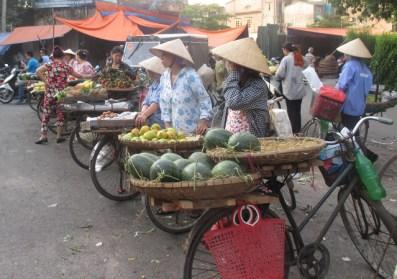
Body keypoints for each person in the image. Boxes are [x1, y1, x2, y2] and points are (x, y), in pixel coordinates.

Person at [150, 39, 212, 135]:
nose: (161, 58)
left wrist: (203, 120)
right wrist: (167, 127)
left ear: (175, 57)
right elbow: (163, 103)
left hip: (193, 132)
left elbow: (203, 99)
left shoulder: (190, 75)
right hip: (173, 134)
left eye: (165, 55)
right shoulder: (164, 77)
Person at [211, 38, 270, 137]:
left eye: (231, 64)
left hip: (250, 143)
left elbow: (233, 102)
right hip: (232, 141)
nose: (228, 66)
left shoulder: (258, 86)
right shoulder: (238, 82)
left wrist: (234, 72)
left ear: (242, 67)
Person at [35, 46, 93, 144]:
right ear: (62, 56)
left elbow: (38, 71)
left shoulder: (49, 65)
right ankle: (59, 136)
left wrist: (46, 81)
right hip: (61, 93)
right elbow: (79, 76)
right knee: (60, 113)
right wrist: (90, 76)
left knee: (46, 114)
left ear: (53, 56)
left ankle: (43, 136)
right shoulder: (66, 66)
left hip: (49, 92)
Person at [336, 38, 373, 131]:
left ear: (349, 54)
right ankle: (355, 144)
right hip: (360, 106)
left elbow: (342, 85)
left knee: (345, 132)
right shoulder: (366, 69)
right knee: (354, 130)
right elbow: (368, 88)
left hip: (348, 105)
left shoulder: (350, 65)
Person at [275, 43, 307, 134]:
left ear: (285, 49)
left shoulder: (286, 59)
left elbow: (279, 75)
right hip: (300, 89)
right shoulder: (301, 57)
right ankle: (298, 130)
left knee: (291, 111)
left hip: (290, 90)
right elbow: (308, 69)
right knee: (297, 111)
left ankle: (294, 131)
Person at [135, 56, 165, 128]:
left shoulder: (163, 83)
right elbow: (146, 101)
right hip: (151, 122)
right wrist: (142, 114)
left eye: (148, 70)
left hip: (160, 123)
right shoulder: (154, 84)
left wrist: (144, 115)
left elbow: (156, 103)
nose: (147, 72)